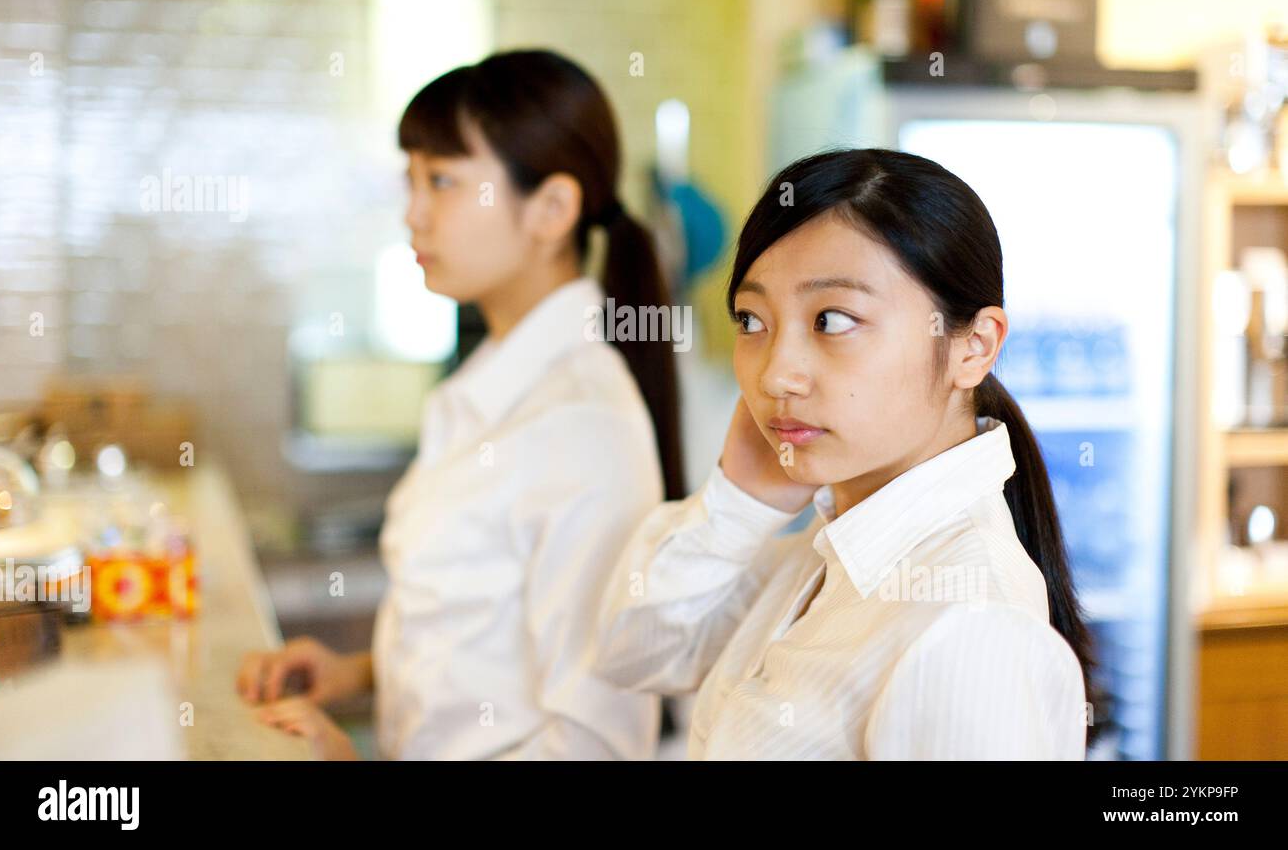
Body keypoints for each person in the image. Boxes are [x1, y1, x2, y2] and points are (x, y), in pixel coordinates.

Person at [238, 49, 684, 760]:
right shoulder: (486, 387)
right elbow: (479, 639)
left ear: (552, 209)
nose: (413, 213)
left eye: (442, 181)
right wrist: (356, 673)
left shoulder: (582, 423)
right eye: (410, 180)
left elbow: (596, 744)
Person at [591, 147, 1097, 759]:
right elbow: (635, 651)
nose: (778, 374)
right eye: (752, 321)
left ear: (974, 347)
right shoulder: (828, 550)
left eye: (832, 320)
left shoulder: (971, 627)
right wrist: (742, 498)